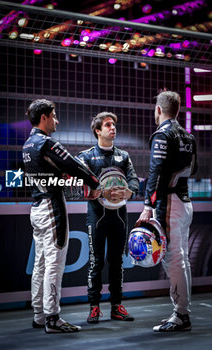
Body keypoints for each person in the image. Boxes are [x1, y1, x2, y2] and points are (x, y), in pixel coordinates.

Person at [22, 99, 101, 333]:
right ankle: (53, 318)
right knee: (54, 265)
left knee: (41, 264)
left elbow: (57, 173)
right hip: (51, 208)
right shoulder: (45, 143)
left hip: (37, 207)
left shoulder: (27, 144)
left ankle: (39, 315)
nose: (57, 120)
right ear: (44, 117)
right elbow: (73, 165)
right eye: (54, 116)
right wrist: (94, 183)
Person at [136, 90, 198, 332]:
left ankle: (181, 314)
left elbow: (157, 173)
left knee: (173, 259)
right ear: (178, 110)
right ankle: (182, 311)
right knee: (181, 259)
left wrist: (148, 206)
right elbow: (193, 170)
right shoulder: (188, 136)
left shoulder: (162, 135)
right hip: (185, 200)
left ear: (159, 110)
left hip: (170, 204)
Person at [78, 111, 139, 323]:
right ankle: (94, 307)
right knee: (96, 262)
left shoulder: (123, 156)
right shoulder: (85, 156)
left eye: (113, 125)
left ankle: (116, 306)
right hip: (96, 217)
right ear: (97, 131)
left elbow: (133, 179)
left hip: (119, 217)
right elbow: (77, 183)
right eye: (107, 125)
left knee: (116, 262)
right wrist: (92, 192)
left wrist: (130, 192)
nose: (112, 128)